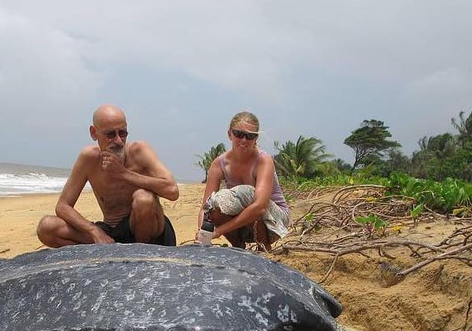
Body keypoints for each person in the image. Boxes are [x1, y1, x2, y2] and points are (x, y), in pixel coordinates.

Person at [37, 105, 179, 247]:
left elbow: (172, 191)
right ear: (94, 133)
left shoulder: (139, 151)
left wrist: (123, 173)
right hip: (111, 233)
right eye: (110, 134)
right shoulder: (90, 158)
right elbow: (63, 206)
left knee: (144, 199)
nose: (118, 141)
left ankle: (140, 254)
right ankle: (113, 250)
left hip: (148, 232)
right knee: (47, 227)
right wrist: (93, 230)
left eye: (122, 133)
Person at [197, 111, 290, 250]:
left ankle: (264, 248)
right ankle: (238, 246)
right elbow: (206, 206)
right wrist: (202, 232)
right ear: (230, 134)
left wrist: (218, 232)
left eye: (250, 136)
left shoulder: (263, 160)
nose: (244, 140)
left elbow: (260, 207)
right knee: (214, 206)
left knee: (247, 193)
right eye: (239, 134)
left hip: (275, 222)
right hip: (243, 222)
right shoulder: (219, 164)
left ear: (256, 138)